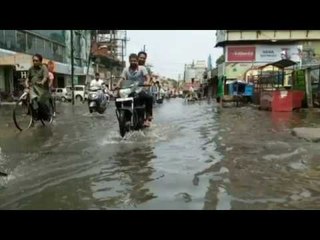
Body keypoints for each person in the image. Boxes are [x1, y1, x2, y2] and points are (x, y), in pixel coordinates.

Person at [116, 53, 152, 127]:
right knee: (118, 98)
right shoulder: (125, 69)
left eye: (135, 61)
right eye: (131, 61)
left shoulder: (142, 68)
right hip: (129, 89)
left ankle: (148, 116)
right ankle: (122, 114)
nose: (133, 62)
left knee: (149, 97)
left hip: (139, 89)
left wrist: (147, 82)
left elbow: (147, 77)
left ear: (137, 61)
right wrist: (117, 84)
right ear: (129, 61)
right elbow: (122, 78)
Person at [25, 54, 51, 120]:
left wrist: (42, 82)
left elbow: (45, 77)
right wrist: (26, 83)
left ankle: (47, 115)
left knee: (40, 101)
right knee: (29, 100)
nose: (34, 62)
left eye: (36, 61)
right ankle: (34, 115)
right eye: (33, 60)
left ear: (40, 61)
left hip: (42, 89)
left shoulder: (44, 68)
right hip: (33, 88)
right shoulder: (31, 69)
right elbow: (27, 78)